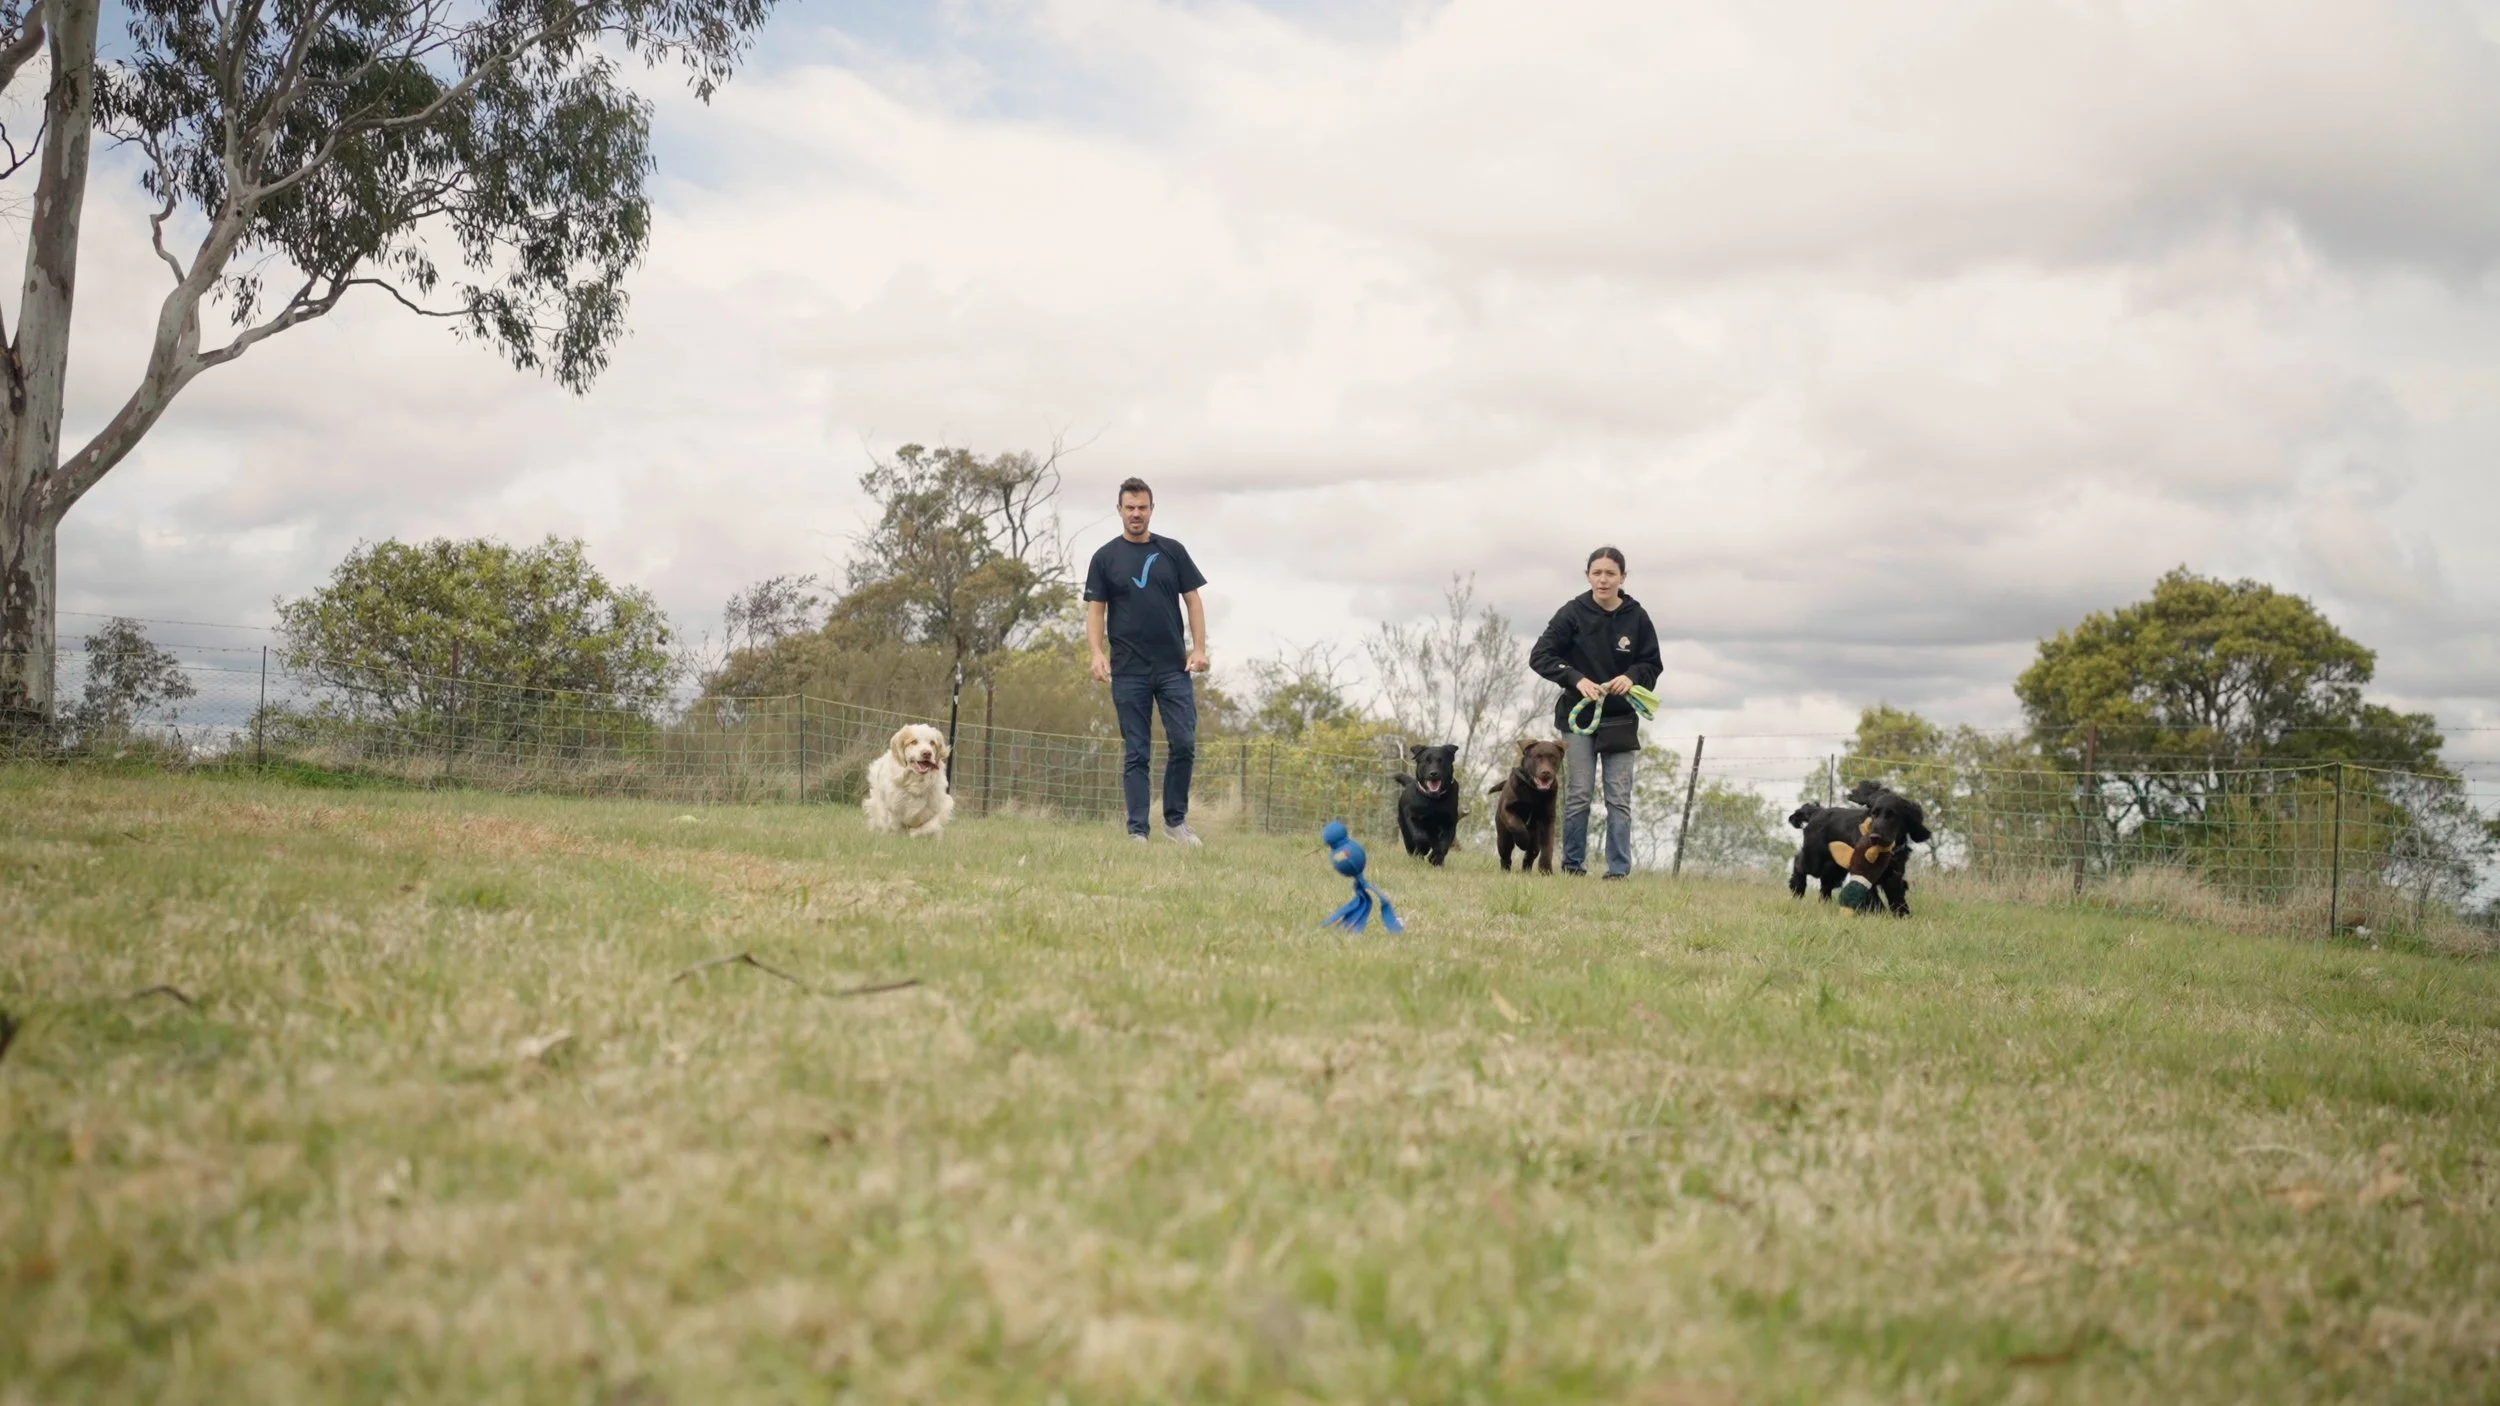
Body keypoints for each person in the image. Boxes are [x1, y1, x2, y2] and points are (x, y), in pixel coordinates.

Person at [1085, 477, 1210, 844]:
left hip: (1173, 668)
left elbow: (1194, 601)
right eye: (1130, 508)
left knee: (1184, 743)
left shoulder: (1173, 551)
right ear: (1120, 510)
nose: (1136, 514)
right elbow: (1096, 612)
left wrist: (1199, 649)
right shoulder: (1105, 558)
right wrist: (1096, 653)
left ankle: (1175, 822)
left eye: (1142, 507)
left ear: (1151, 510)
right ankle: (1138, 830)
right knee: (1136, 751)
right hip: (1128, 671)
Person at [1529, 546, 1664, 878]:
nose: (1603, 580)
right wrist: (1577, 679)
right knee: (1579, 794)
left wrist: (1630, 678)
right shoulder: (1572, 613)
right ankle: (1573, 865)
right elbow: (1540, 656)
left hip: (1620, 719)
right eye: (1597, 573)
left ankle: (1618, 871)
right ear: (1588, 575)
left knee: (1618, 797)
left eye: (1610, 573)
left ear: (1623, 577)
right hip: (1579, 717)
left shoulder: (1637, 617)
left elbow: (1651, 664)